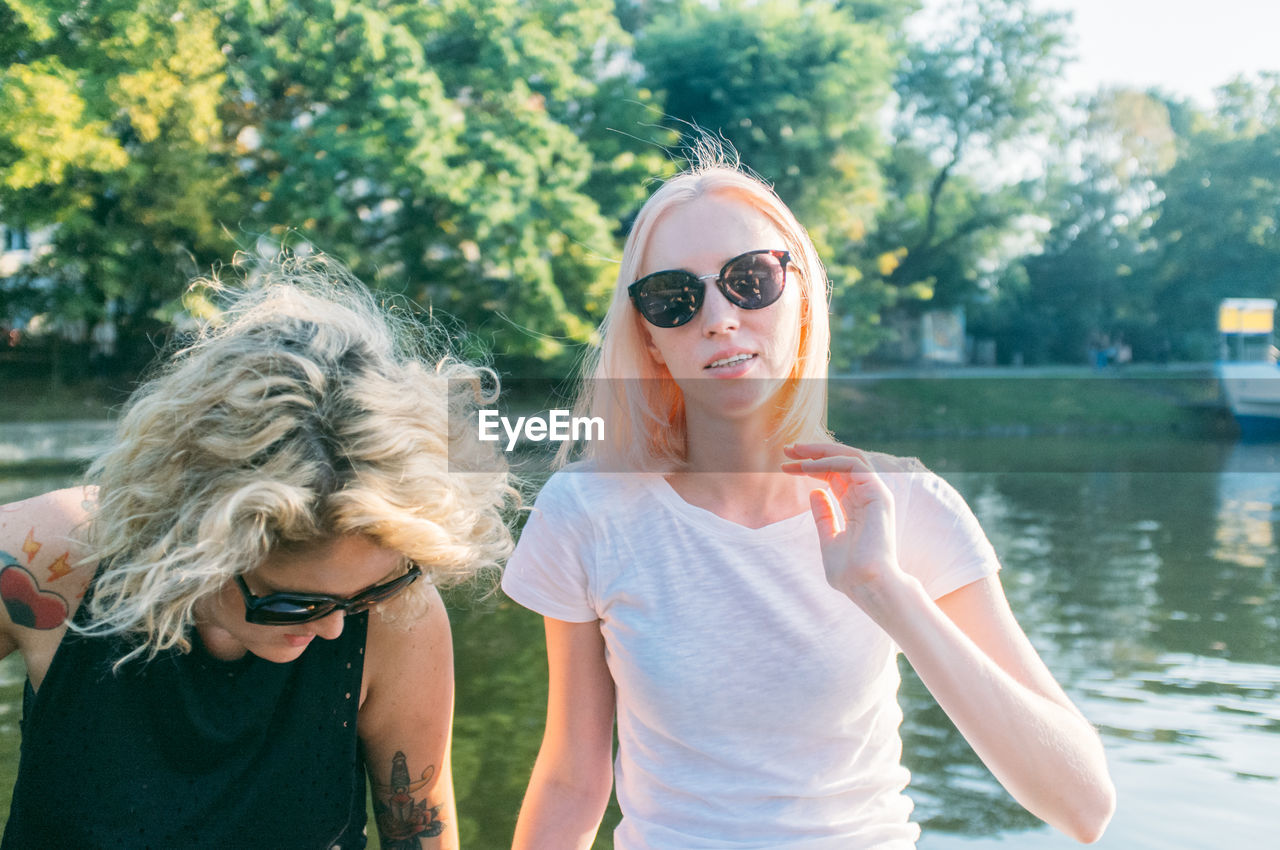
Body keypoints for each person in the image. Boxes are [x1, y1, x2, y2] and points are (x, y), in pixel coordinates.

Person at [502, 151, 1116, 849]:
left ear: (799, 294)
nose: (721, 319)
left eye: (750, 280)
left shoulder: (906, 504)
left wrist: (883, 587)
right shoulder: (588, 511)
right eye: (675, 297)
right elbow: (572, 781)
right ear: (647, 334)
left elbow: (1084, 806)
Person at [0, 257, 513, 849]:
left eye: (372, 591)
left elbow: (421, 835)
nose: (333, 629)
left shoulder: (402, 617)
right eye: (294, 604)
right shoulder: (45, 559)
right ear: (191, 538)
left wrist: (379, 595)